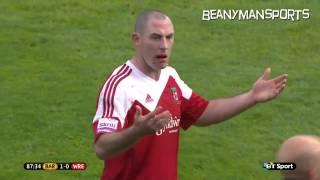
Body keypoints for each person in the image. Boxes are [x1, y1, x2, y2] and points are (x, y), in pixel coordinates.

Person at [92, 10, 288, 180]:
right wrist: (137, 131)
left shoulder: (170, 77)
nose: (164, 46)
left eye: (169, 37)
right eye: (155, 37)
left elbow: (203, 113)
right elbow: (102, 148)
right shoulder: (119, 85)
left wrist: (251, 96)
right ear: (137, 39)